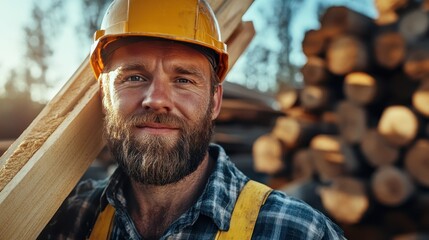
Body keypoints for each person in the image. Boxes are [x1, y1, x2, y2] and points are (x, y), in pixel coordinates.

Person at [38, 0, 346, 239]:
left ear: (215, 101)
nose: (157, 99)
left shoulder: (299, 232)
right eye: (133, 76)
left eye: (183, 80)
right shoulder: (70, 220)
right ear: (105, 97)